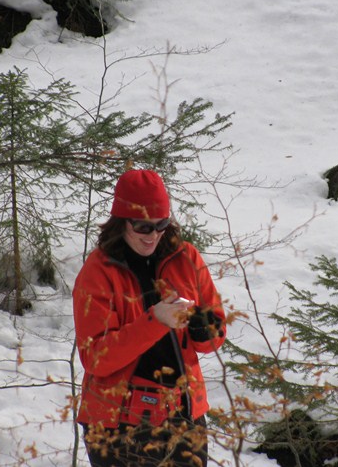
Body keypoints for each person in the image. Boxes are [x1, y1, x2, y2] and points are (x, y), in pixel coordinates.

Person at [72, 169, 226, 467]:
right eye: (143, 227)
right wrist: (155, 321)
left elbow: (215, 333)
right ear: (121, 222)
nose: (153, 235)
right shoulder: (98, 272)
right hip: (118, 424)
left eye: (161, 225)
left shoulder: (187, 258)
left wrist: (204, 328)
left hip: (183, 415)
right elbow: (96, 358)